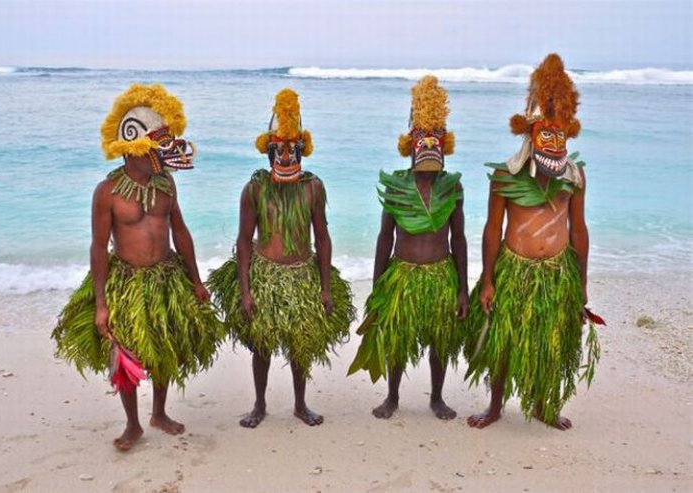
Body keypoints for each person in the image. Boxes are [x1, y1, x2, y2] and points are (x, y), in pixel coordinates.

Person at [52, 84, 225, 450]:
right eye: (155, 148)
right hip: (127, 281)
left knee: (164, 345)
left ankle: (159, 413)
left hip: (166, 277)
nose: (162, 154)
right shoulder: (108, 191)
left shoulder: (167, 184)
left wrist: (196, 281)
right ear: (134, 149)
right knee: (126, 353)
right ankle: (133, 424)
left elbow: (181, 232)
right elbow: (99, 247)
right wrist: (101, 303)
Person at [463, 54, 601, 430]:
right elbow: (492, 230)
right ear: (531, 134)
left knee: (549, 341)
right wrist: (488, 280)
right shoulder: (505, 177)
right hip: (514, 270)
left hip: (556, 273)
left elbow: (578, 230)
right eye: (546, 134)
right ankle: (495, 406)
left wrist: (581, 284)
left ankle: (543, 406)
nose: (553, 142)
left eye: (560, 135)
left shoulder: (574, 177)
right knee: (503, 341)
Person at [207, 88, 355, 428]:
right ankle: (259, 405)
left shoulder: (313, 188)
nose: (286, 158)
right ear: (268, 151)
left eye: (292, 150)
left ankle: (301, 405)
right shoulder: (255, 189)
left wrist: (325, 287)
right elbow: (244, 241)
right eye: (279, 150)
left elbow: (322, 237)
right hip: (265, 275)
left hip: (302, 275)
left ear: (302, 150)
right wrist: (246, 291)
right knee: (262, 345)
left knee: (300, 344)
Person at [347, 76, 468, 420]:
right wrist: (378, 287)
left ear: (444, 144)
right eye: (421, 138)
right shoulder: (397, 186)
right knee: (397, 339)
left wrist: (463, 288)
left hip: (440, 275)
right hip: (401, 274)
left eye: (435, 138)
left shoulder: (452, 187)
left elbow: (458, 239)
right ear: (410, 144)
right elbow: (385, 237)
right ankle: (392, 397)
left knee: (440, 340)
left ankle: (437, 398)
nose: (428, 144)